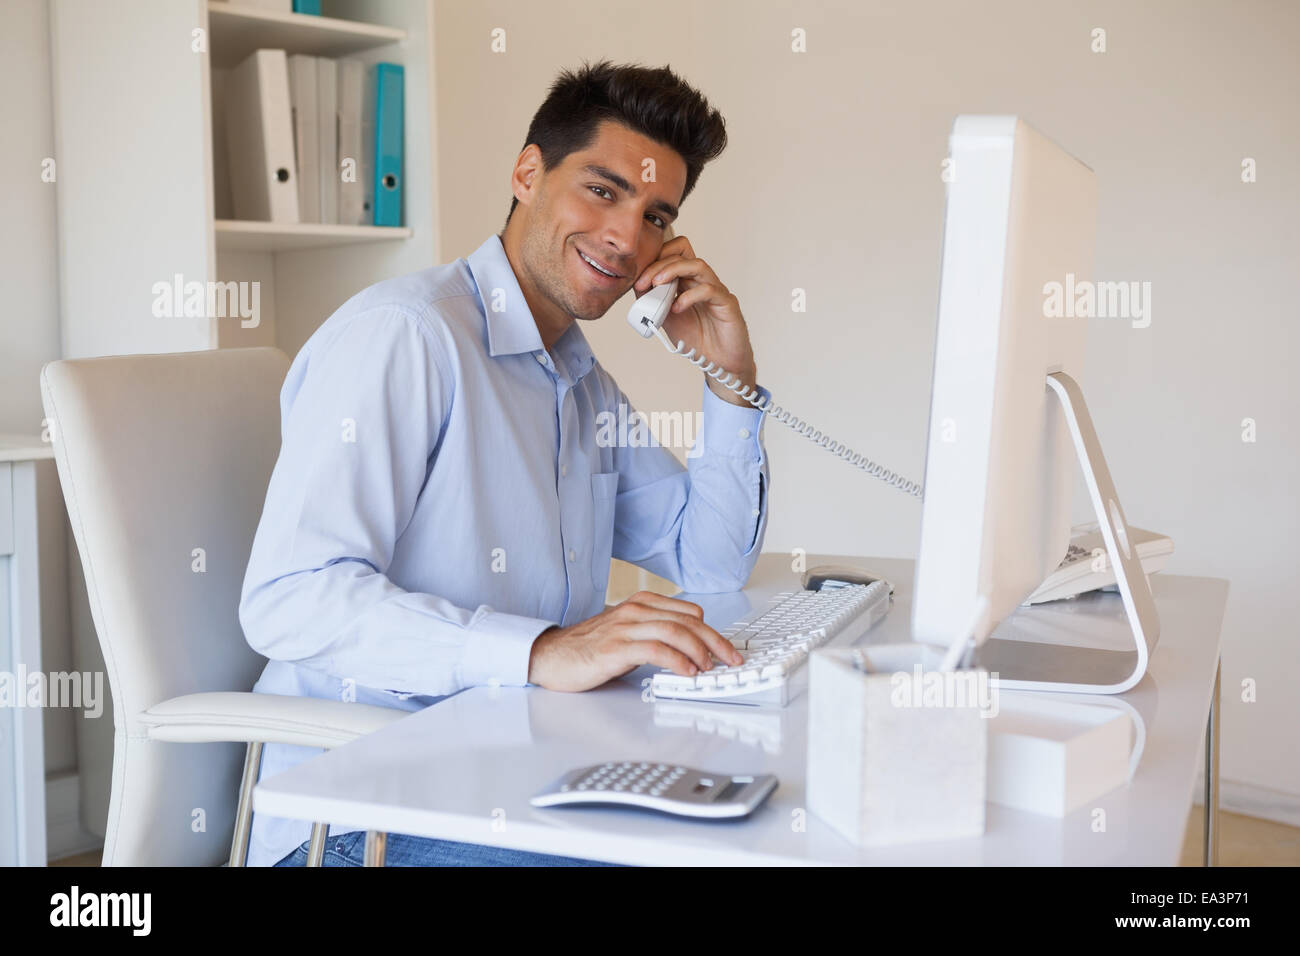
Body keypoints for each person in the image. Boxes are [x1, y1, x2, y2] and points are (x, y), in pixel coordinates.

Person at [239, 59, 772, 867]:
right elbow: (289, 599)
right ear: (528, 172)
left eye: (656, 215)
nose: (628, 239)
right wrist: (540, 651)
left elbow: (711, 565)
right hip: (364, 810)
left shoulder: (581, 379)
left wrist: (730, 387)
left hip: (512, 777)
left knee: (749, 822)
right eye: (602, 189)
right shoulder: (407, 337)